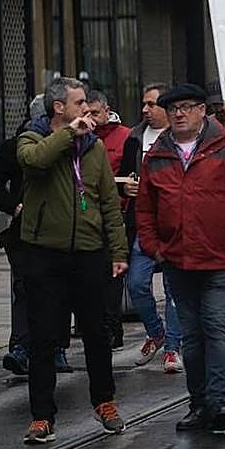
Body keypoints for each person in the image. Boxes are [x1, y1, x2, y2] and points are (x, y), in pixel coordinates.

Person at [135, 84, 225, 432]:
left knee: (215, 326)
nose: (179, 113)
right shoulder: (158, 154)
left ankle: (218, 401)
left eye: (187, 107)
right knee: (191, 335)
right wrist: (153, 246)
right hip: (177, 259)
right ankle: (198, 403)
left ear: (202, 111)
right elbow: (145, 207)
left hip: (219, 254)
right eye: (173, 108)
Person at [16, 77, 129, 444]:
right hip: (44, 253)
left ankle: (104, 401)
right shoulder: (33, 138)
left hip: (89, 251)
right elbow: (35, 162)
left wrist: (118, 251)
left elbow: (108, 201)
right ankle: (42, 416)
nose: (87, 110)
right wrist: (68, 135)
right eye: (79, 103)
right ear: (59, 108)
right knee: (45, 336)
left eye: (87, 104)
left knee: (97, 333)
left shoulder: (93, 149)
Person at [0, 95, 73, 375]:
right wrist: (12, 205)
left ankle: (56, 348)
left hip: (62, 228)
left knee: (59, 288)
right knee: (25, 288)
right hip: (26, 230)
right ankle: (21, 347)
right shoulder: (20, 145)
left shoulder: (74, 141)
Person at [118, 84, 183, 374]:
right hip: (143, 223)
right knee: (136, 283)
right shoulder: (135, 137)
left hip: (174, 224)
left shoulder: (179, 138)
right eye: (144, 104)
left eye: (151, 104)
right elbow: (123, 174)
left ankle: (172, 347)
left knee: (173, 289)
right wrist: (126, 185)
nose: (145, 109)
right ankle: (155, 332)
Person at [86, 90, 130, 349]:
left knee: (114, 275)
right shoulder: (80, 136)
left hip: (117, 212)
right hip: (88, 216)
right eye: (86, 112)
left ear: (107, 110)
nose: (91, 117)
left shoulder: (124, 136)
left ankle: (113, 328)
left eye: (95, 112)